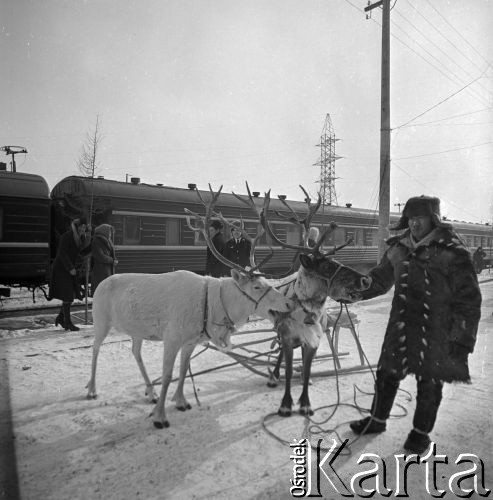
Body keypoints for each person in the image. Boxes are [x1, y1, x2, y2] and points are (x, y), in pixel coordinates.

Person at [349, 195, 481, 454]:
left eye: (420, 219)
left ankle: (420, 434)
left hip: (437, 329)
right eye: (411, 219)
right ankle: (377, 420)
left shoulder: (453, 252)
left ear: (433, 220)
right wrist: (356, 288)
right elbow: (379, 279)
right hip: (401, 325)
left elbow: (469, 300)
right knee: (387, 373)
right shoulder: (398, 248)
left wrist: (462, 338)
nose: (415, 224)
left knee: (430, 382)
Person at [49, 217, 92, 331]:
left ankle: (60, 318)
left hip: (70, 269)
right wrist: (70, 267)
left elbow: (81, 253)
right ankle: (67, 323)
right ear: (77, 227)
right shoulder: (67, 236)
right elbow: (62, 253)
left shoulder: (81, 238)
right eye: (81, 226)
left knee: (70, 295)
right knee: (68, 295)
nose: (83, 228)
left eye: (85, 227)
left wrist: (92, 245)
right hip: (61, 268)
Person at [91, 223, 118, 294]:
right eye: (109, 232)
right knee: (101, 292)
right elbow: (100, 256)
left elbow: (111, 253)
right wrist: (112, 260)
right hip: (100, 272)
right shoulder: (96, 241)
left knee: (107, 293)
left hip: (108, 271)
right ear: (104, 231)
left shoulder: (108, 240)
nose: (111, 234)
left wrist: (114, 260)